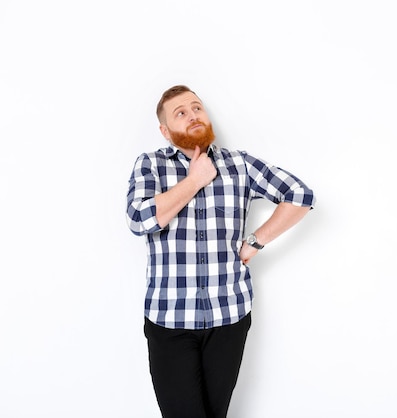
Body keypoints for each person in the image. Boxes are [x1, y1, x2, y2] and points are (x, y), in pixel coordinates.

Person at [126, 85, 315, 418]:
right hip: (170, 320)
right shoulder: (151, 165)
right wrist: (195, 180)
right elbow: (139, 219)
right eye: (180, 113)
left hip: (229, 316)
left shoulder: (238, 164)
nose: (192, 115)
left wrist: (257, 240)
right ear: (165, 131)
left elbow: (299, 195)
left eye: (196, 107)